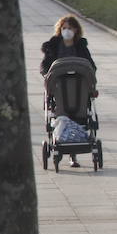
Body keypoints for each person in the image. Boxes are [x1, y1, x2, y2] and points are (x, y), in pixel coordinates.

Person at [41, 14, 96, 166]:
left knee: (79, 112)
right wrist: (48, 76)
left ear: (76, 30)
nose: (67, 31)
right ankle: (61, 146)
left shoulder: (81, 46)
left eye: (69, 28)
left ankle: (73, 156)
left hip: (79, 88)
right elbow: (45, 66)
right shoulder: (52, 46)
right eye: (64, 28)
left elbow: (91, 66)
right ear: (60, 29)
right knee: (61, 109)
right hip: (59, 87)